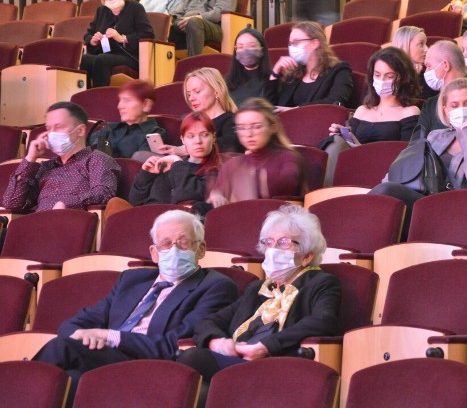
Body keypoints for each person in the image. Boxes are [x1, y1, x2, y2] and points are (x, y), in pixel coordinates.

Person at [33, 210, 237, 401]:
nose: (174, 250)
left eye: (183, 243)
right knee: (69, 379)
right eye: (166, 244)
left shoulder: (215, 286)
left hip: (152, 365)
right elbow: (74, 324)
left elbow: (175, 344)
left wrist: (108, 337)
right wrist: (84, 336)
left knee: (63, 347)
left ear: (200, 249)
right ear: (154, 253)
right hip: (104, 358)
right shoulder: (131, 281)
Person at [177, 206, 340, 404]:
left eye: (284, 243)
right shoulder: (257, 289)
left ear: (307, 256)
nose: (273, 250)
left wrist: (265, 346)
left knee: (193, 360)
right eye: (269, 243)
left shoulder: (321, 283)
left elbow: (323, 321)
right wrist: (217, 342)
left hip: (277, 364)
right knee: (196, 389)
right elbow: (209, 321)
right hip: (237, 360)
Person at [371, 78, 467, 237]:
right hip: (424, 205)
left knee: (387, 191)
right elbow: (401, 171)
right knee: (385, 193)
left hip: (461, 212)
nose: (461, 110)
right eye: (454, 106)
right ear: (446, 110)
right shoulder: (436, 136)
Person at [321, 47, 421, 185]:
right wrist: (343, 134)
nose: (382, 80)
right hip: (356, 167)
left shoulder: (409, 111)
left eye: (389, 76)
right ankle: (326, 194)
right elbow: (350, 147)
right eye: (377, 75)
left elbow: (406, 154)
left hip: (387, 172)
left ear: (403, 78)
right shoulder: (362, 110)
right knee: (335, 142)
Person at [3, 102, 120, 213]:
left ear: (80, 130)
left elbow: (103, 194)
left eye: (58, 127)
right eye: (48, 129)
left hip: (71, 225)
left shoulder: (97, 159)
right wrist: (30, 158)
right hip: (36, 225)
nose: (52, 134)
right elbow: (12, 203)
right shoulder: (46, 167)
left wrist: (64, 204)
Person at [208, 98, 304, 206]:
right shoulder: (233, 164)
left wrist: (252, 182)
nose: (249, 134)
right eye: (242, 128)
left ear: (273, 127)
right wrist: (216, 196)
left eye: (256, 127)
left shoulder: (288, 157)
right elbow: (216, 193)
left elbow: (288, 184)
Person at [129, 112, 223, 216]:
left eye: (204, 135)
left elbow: (188, 194)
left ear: (213, 137)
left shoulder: (217, 171)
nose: (198, 141)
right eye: (191, 136)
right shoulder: (169, 165)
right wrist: (145, 174)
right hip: (150, 220)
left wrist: (177, 162)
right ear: (183, 140)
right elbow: (136, 202)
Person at [80, 0, 155, 88]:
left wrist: (122, 38)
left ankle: (101, 97)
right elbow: (88, 34)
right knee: (84, 59)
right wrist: (93, 40)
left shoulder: (135, 8)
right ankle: (87, 96)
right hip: (106, 53)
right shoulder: (102, 10)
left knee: (102, 59)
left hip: (130, 56)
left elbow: (147, 34)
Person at [272, 21, 353, 109]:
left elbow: (336, 101)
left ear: (314, 43)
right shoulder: (294, 73)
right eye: (290, 43)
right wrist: (274, 72)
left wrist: (296, 110)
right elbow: (272, 106)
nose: (292, 47)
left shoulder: (339, 70)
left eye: (296, 42)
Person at [160, 68, 241, 154]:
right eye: (189, 94)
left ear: (216, 92)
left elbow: (230, 146)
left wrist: (186, 150)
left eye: (197, 92)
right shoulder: (192, 122)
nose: (191, 98)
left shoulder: (232, 120)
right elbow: (180, 149)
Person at [87, 80, 167, 158]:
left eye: (127, 100)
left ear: (146, 105)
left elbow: (139, 167)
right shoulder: (109, 128)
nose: (120, 106)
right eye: (120, 100)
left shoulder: (154, 134)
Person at [225, 27, 279, 106]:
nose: (245, 50)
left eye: (251, 46)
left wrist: (273, 78)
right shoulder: (228, 81)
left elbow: (268, 107)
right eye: (240, 47)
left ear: (262, 49)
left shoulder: (273, 79)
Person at [392, 25, 435, 102]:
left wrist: (416, 78)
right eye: (421, 44)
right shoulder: (386, 72)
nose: (427, 49)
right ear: (404, 45)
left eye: (426, 44)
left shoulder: (428, 74)